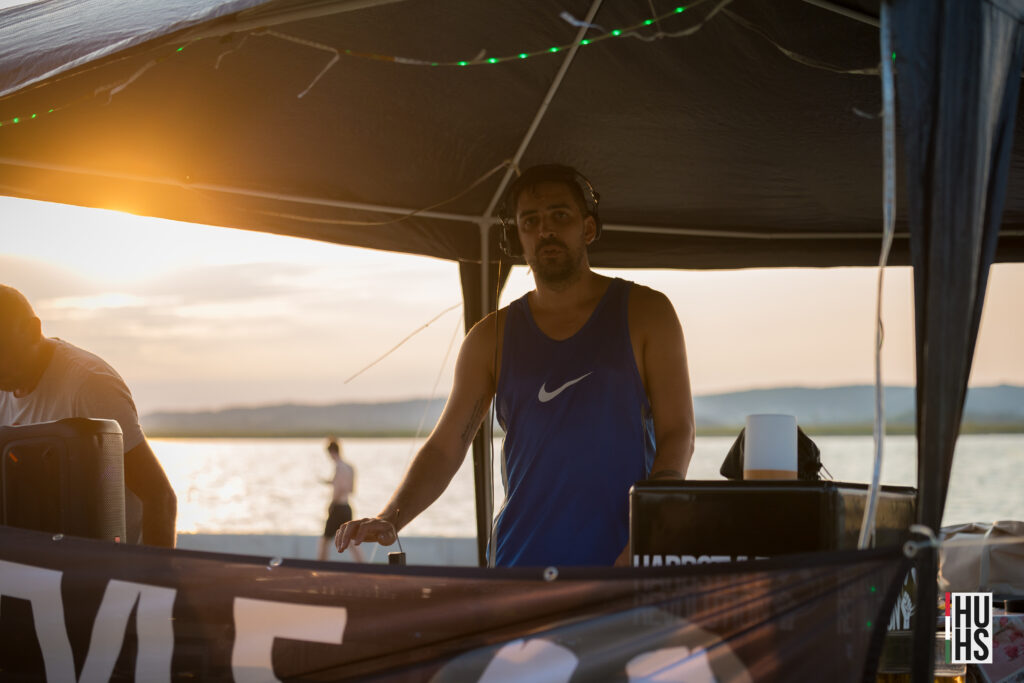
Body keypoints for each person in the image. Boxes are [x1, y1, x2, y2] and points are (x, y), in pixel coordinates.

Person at [336, 164, 695, 567]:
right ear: (516, 237)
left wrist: (649, 530)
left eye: (560, 215)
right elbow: (446, 446)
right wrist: (390, 516)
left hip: (621, 562)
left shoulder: (647, 313)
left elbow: (678, 432)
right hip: (518, 567)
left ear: (588, 228)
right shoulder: (490, 338)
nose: (545, 230)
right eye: (530, 221)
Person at [0, 284, 177, 547]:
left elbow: (159, 497)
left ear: (33, 331)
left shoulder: (90, 385)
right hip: (43, 556)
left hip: (110, 561)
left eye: (3, 349)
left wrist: (151, 572)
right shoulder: (5, 382)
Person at [317, 437, 364, 562]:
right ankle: (363, 565)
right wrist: (328, 482)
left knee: (325, 540)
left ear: (332, 452)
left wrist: (332, 504)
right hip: (347, 507)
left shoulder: (338, 467)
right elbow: (350, 488)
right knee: (351, 541)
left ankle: (320, 566)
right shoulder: (349, 467)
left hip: (338, 508)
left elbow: (339, 488)